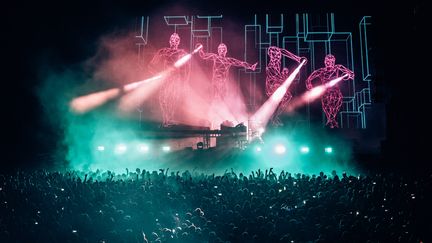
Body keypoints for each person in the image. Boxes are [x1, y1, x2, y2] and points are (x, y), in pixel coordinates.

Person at [149, 33, 190, 127]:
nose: (174, 42)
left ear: (179, 42)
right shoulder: (163, 51)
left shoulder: (182, 52)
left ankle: (169, 120)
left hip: (175, 79)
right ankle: (166, 120)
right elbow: (151, 65)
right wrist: (157, 75)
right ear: (169, 41)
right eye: (172, 39)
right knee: (163, 98)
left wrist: (185, 81)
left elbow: (187, 69)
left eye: (176, 40)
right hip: (166, 77)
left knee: (172, 98)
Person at [305, 54, 354, 128]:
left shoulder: (338, 68)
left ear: (334, 62)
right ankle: (332, 121)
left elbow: (351, 73)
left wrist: (349, 75)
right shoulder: (321, 71)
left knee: (338, 102)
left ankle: (331, 120)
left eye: (331, 61)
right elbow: (308, 79)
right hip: (326, 92)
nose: (329, 63)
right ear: (325, 62)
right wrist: (309, 86)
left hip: (336, 92)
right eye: (327, 61)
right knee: (326, 105)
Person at [265, 46, 307, 126]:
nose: (278, 56)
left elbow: (283, 51)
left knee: (287, 97)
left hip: (278, 84)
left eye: (278, 55)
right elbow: (275, 78)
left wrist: (298, 59)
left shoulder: (277, 61)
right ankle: (274, 116)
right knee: (286, 96)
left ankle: (275, 115)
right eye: (275, 55)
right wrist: (284, 76)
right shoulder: (270, 67)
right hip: (272, 86)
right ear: (271, 55)